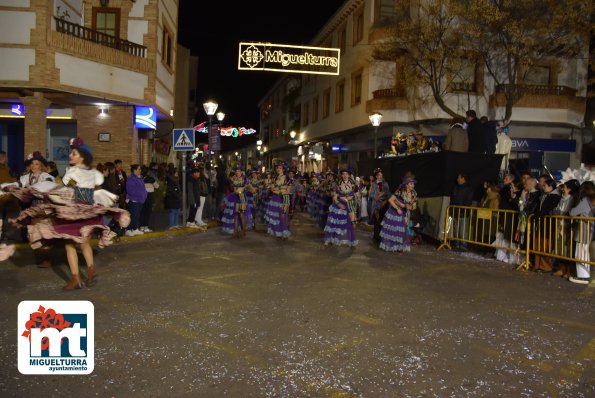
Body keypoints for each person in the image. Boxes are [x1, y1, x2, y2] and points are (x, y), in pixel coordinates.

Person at [6, 138, 129, 289]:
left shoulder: (72, 172)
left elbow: (60, 187)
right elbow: (96, 185)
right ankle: (90, 271)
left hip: (75, 211)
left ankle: (76, 278)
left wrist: (50, 190)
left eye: (74, 153)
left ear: (82, 156)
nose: (70, 155)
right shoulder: (94, 172)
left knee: (71, 245)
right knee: (83, 244)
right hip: (88, 210)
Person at [379, 175, 416, 252]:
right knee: (394, 230)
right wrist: (398, 208)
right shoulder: (400, 190)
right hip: (395, 211)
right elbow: (391, 200)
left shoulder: (414, 194)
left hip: (405, 212)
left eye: (413, 184)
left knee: (403, 230)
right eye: (411, 184)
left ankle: (398, 247)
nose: (413, 185)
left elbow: (414, 205)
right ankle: (391, 246)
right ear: (407, 184)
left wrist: (410, 207)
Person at [323, 169, 359, 247]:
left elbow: (356, 197)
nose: (344, 175)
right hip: (339, 206)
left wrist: (355, 210)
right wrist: (339, 204)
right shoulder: (338, 184)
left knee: (352, 224)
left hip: (350, 205)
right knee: (334, 223)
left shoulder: (354, 185)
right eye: (343, 174)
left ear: (349, 175)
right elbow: (334, 197)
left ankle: (351, 241)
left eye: (346, 174)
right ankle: (329, 239)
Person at [568, 181, 595, 284]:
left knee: (580, 253)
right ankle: (584, 275)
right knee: (585, 253)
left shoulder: (585, 200)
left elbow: (573, 212)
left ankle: (583, 276)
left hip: (584, 230)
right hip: (591, 230)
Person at [265, 163, 291, 239]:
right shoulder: (274, 178)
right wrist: (281, 189)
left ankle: (284, 232)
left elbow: (288, 191)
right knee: (275, 216)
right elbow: (272, 189)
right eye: (277, 168)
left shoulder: (287, 178)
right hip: (275, 199)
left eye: (280, 168)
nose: (278, 169)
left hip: (284, 199)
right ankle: (278, 232)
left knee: (283, 216)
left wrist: (279, 190)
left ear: (283, 169)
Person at [450, 173, 474, 250]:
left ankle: (463, 246)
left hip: (464, 213)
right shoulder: (455, 187)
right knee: (456, 229)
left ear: (463, 178)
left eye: (459, 177)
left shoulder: (468, 188)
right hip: (455, 212)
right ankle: (456, 244)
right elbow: (452, 199)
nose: (457, 179)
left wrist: (463, 210)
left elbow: (469, 201)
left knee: (463, 231)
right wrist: (451, 209)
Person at [125, 164, 147, 236]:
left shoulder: (140, 178)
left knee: (136, 216)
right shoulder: (131, 178)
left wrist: (144, 195)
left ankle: (134, 229)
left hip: (140, 200)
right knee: (133, 215)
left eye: (140, 169)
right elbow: (130, 190)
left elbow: (143, 188)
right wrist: (139, 194)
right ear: (134, 170)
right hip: (134, 200)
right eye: (139, 169)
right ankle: (128, 229)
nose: (140, 171)